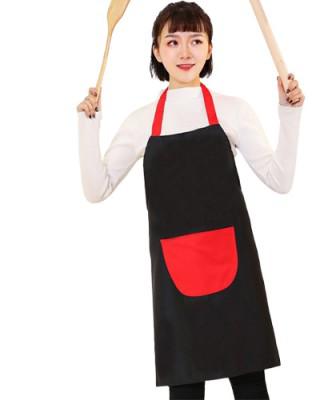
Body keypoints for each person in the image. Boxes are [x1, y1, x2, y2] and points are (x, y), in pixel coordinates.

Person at [76, 1, 305, 399]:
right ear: (156, 50)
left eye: (196, 40)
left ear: (210, 48)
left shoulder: (233, 111)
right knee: (185, 392)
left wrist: (289, 113)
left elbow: (279, 180)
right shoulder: (141, 122)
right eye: (173, 41)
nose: (185, 52)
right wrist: (87, 124)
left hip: (235, 268)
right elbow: (97, 189)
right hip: (174, 273)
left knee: (251, 388)